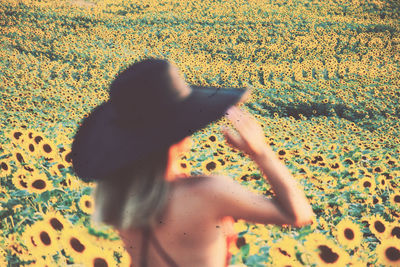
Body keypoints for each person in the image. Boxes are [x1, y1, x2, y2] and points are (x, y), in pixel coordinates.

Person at [70, 58, 314, 267]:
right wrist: (261, 153)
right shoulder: (208, 193)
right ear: (176, 131)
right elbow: (297, 215)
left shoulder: (118, 197)